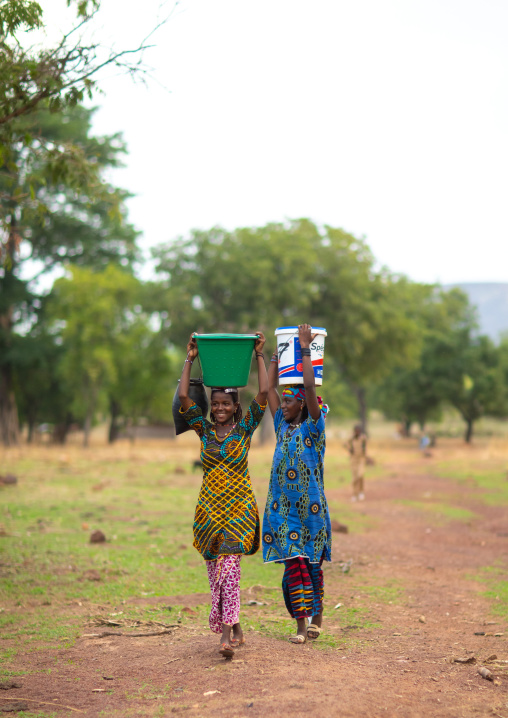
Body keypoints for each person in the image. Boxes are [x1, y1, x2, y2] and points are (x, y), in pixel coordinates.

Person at [178, 332, 268, 658]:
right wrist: (190, 357)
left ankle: (225, 637)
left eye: (225, 404)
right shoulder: (202, 430)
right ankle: (237, 624)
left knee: (230, 570)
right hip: (209, 512)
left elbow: (263, 393)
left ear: (235, 407)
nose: (218, 408)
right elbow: (185, 401)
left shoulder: (245, 430)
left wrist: (259, 354)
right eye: (215, 404)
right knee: (216, 573)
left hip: (240, 510)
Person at [262, 324, 331, 645]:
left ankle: (317, 619)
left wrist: (304, 349)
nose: (285, 405)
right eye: (285, 402)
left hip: (312, 510)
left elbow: (306, 387)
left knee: (313, 566)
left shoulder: (314, 428)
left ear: (303, 404)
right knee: (295, 566)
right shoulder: (280, 426)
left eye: (291, 402)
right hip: (282, 510)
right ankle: (301, 627)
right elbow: (268, 392)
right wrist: (270, 359)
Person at [347, 424, 367, 501]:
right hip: (353, 459)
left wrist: (365, 456)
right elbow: (346, 444)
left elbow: (365, 447)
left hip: (361, 459)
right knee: (355, 477)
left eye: (359, 431)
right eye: (356, 431)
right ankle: (355, 494)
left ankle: (361, 491)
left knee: (360, 475)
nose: (357, 432)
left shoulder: (363, 438)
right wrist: (350, 449)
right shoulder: (351, 438)